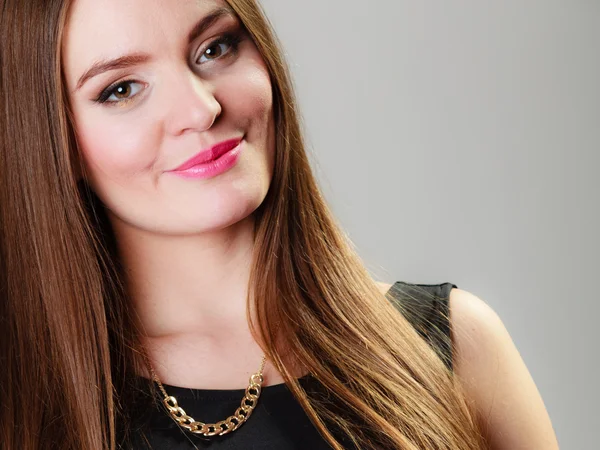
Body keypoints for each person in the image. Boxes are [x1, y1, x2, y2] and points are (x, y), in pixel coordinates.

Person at [0, 0, 559, 449]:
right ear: (55, 140)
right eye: (121, 89)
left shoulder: (453, 343)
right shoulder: (27, 409)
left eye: (214, 48)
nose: (200, 109)